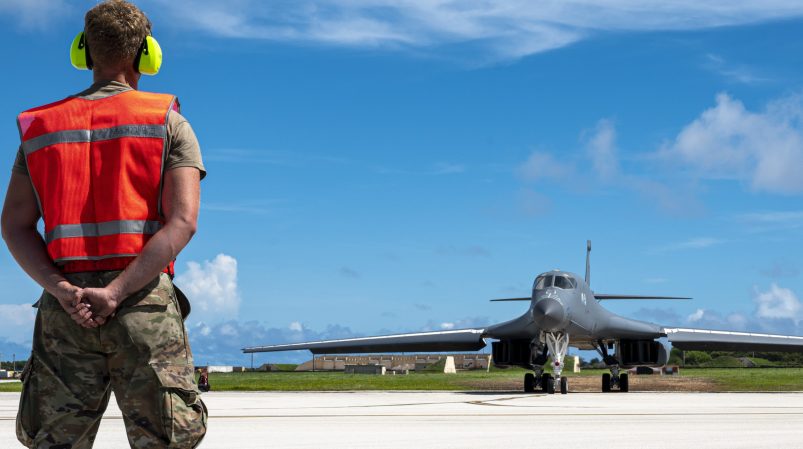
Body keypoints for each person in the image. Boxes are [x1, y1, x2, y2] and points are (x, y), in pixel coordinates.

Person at [1, 1, 208, 447]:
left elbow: (15, 226)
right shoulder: (168, 122)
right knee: (166, 440)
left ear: (83, 52)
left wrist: (64, 291)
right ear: (146, 54)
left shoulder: (40, 129)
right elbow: (183, 222)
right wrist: (115, 292)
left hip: (67, 311)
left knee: (54, 440)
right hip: (143, 307)